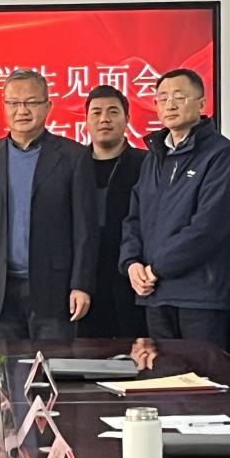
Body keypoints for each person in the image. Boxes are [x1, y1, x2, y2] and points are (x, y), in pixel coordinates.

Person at [0, 69, 97, 342]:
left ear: (48, 106)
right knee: (2, 368)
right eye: (13, 103)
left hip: (55, 290)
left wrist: (81, 284)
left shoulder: (73, 157)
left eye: (31, 102)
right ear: (4, 106)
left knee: (53, 366)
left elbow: (85, 229)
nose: (22, 110)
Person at [119, 68, 230, 353]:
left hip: (201, 295)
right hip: (155, 294)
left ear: (202, 103)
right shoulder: (154, 157)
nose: (170, 105)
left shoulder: (221, 154)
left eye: (179, 97)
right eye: (162, 98)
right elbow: (134, 218)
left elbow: (208, 228)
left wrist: (156, 268)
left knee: (204, 377)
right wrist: (132, 263)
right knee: (164, 376)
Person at [81, 85, 148, 342]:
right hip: (84, 280)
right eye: (96, 112)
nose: (104, 119)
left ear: (127, 118)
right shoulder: (72, 165)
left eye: (113, 112)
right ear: (87, 120)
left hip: (133, 278)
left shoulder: (147, 164)